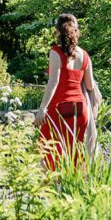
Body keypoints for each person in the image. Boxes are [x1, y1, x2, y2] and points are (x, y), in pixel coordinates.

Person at [34, 12, 99, 170]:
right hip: (80, 110)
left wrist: (42, 109)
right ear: (76, 31)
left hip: (58, 108)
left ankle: (51, 189)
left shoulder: (55, 52)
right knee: (75, 153)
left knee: (47, 150)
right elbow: (90, 86)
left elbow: (53, 81)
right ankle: (77, 186)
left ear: (57, 31)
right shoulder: (84, 55)